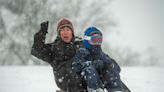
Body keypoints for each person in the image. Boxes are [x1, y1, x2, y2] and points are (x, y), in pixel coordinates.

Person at [31, 18, 87, 92]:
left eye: (68, 30)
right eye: (62, 30)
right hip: (66, 83)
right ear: (59, 33)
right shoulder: (53, 48)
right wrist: (41, 34)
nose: (65, 32)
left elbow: (95, 53)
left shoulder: (81, 44)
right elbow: (36, 50)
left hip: (83, 83)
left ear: (72, 32)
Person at [72, 27, 129, 92]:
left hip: (100, 81)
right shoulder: (82, 52)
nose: (97, 43)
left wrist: (109, 64)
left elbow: (117, 68)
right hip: (85, 82)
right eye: (94, 40)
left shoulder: (101, 54)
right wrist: (92, 64)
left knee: (110, 70)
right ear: (87, 40)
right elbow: (76, 67)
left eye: (99, 40)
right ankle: (97, 90)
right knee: (89, 70)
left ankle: (116, 90)